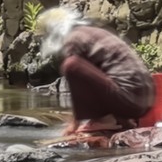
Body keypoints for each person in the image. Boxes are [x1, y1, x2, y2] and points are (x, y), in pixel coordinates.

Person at [35, 7, 153, 135]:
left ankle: (104, 120)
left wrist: (74, 124)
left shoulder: (74, 38)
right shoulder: (91, 33)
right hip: (143, 102)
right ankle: (119, 119)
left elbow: (77, 73)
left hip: (128, 100)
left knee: (71, 65)